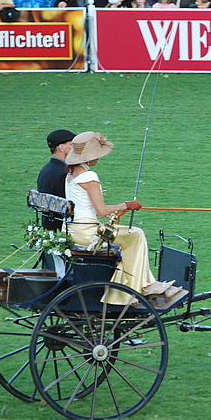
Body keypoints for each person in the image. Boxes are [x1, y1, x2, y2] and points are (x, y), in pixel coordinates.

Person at [63, 131, 184, 308]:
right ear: (87, 158)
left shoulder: (71, 175)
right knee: (135, 235)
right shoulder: (89, 177)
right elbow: (102, 210)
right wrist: (126, 204)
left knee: (129, 236)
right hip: (88, 233)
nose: (98, 159)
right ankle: (142, 286)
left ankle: (141, 284)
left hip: (75, 230)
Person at [37, 129, 76, 231]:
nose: (75, 148)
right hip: (61, 226)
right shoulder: (63, 173)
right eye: (72, 144)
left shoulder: (47, 168)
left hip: (49, 222)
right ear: (61, 147)